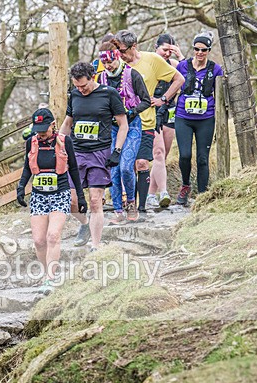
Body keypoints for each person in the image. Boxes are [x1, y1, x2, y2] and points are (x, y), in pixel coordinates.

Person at [111, 30, 184, 213]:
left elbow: (179, 79)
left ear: (134, 46)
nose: (120, 54)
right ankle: (129, 203)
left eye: (122, 50)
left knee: (142, 163)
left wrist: (163, 99)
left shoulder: (152, 60)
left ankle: (142, 208)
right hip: (121, 124)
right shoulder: (116, 64)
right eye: (117, 51)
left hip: (145, 121)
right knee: (126, 167)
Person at [60, 61, 128, 251]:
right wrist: (58, 145)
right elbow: (67, 123)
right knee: (71, 200)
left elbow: (123, 124)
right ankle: (85, 223)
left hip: (100, 152)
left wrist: (117, 151)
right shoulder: (74, 95)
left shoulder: (109, 94)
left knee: (96, 200)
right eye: (77, 86)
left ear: (93, 77)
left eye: (84, 85)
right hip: (76, 153)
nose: (81, 89)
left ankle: (95, 246)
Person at [16, 107, 86, 286]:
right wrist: (21, 187)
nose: (41, 134)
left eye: (44, 130)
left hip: (60, 193)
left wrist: (80, 196)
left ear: (53, 125)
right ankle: (47, 270)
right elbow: (27, 167)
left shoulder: (65, 141)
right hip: (39, 196)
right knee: (39, 241)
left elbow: (73, 169)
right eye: (37, 130)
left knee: (53, 235)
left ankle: (50, 277)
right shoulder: (31, 142)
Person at [96, 46, 151, 223]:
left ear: (117, 57)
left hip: (131, 125)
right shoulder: (100, 78)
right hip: (110, 128)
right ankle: (118, 210)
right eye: (104, 63)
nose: (108, 66)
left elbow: (146, 101)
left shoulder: (132, 74)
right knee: (113, 169)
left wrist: (132, 112)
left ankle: (131, 203)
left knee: (126, 167)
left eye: (110, 62)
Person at [174, 33, 224, 206]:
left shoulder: (215, 69)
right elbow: (172, 84)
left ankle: (202, 195)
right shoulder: (183, 66)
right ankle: (185, 185)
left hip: (205, 118)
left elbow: (221, 92)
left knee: (203, 158)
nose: (200, 53)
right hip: (183, 117)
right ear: (193, 49)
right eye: (197, 49)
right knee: (185, 155)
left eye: (203, 50)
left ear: (209, 50)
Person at [148, 33, 183, 209]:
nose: (167, 54)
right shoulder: (149, 64)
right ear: (156, 48)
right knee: (158, 153)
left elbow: (189, 76)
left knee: (163, 155)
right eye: (164, 50)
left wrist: (180, 55)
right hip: (152, 111)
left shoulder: (174, 65)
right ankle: (161, 192)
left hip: (169, 111)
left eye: (170, 50)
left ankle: (150, 195)